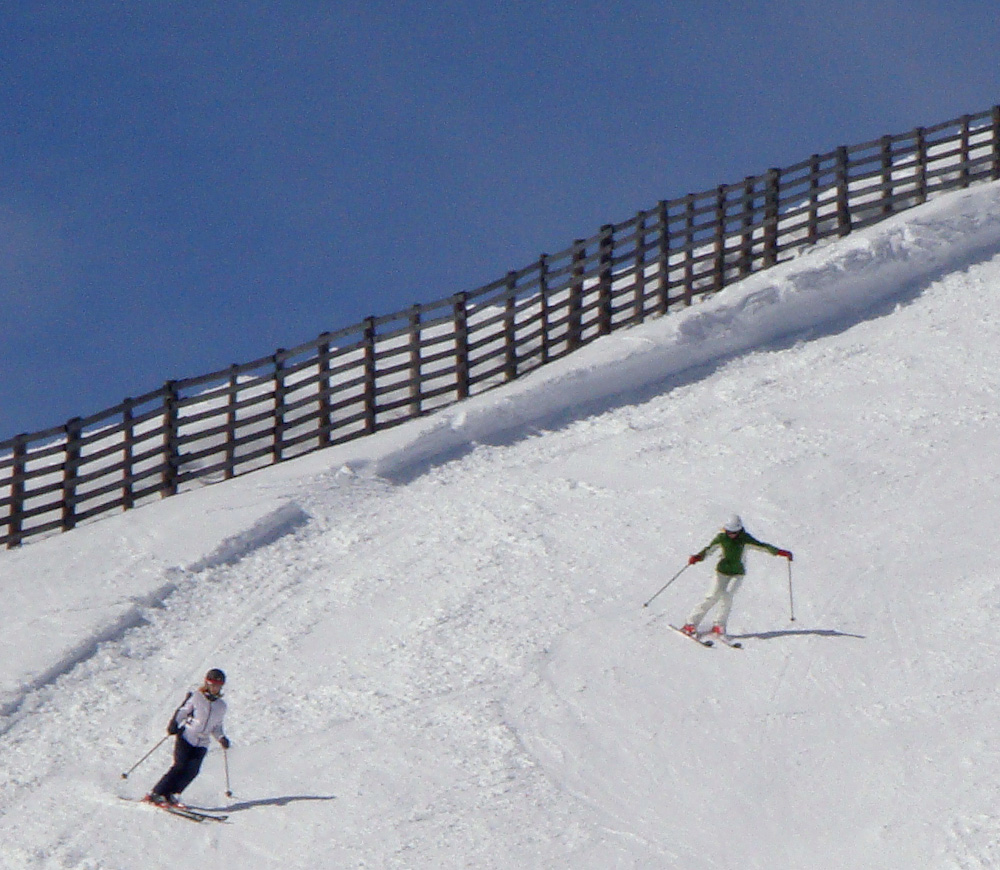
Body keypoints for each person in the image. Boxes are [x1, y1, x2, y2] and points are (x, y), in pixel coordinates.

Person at [680, 515, 792, 639]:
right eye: (728, 532)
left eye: (734, 532)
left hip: (737, 573)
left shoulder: (745, 539)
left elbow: (762, 546)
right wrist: (698, 557)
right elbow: (709, 549)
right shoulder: (722, 538)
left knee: (727, 597)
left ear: (739, 530)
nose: (731, 535)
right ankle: (690, 624)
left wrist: (780, 552)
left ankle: (719, 625)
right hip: (721, 572)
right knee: (712, 596)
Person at [146, 668, 231, 807]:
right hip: (187, 736)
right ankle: (156, 793)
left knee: (193, 771)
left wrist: (222, 738)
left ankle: (172, 794)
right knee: (180, 766)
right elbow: (183, 711)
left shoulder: (221, 706)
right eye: (212, 684)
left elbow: (217, 726)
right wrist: (174, 723)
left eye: (218, 686)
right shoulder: (197, 697)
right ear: (206, 683)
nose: (215, 688)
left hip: (202, 743)